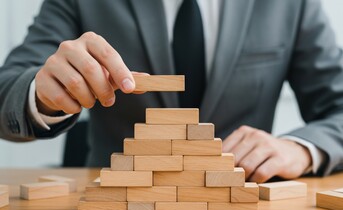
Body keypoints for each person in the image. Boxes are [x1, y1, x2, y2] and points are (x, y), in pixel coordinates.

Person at [0, 0, 342, 183]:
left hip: (241, 203)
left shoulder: (293, 3)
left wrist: (301, 149)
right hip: (120, 208)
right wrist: (41, 94)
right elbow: (7, 90)